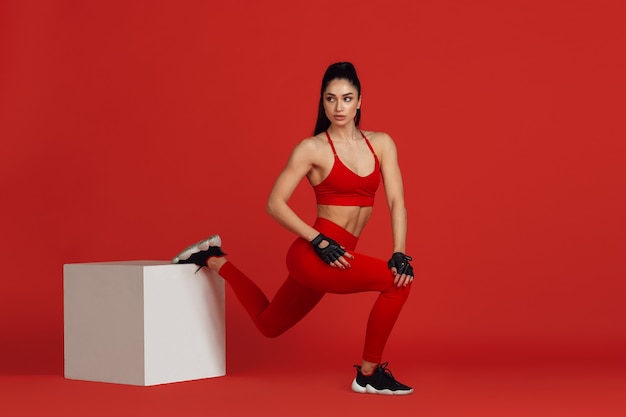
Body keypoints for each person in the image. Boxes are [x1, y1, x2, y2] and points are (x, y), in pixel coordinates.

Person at [172, 62, 415, 395]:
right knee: (397, 285)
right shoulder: (312, 148)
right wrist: (317, 240)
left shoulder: (382, 143)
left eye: (347, 98)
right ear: (323, 103)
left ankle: (213, 258)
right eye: (331, 99)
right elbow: (275, 203)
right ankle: (368, 374)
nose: (339, 107)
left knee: (268, 325)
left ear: (360, 101)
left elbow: (396, 202)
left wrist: (399, 250)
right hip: (313, 254)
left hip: (340, 256)